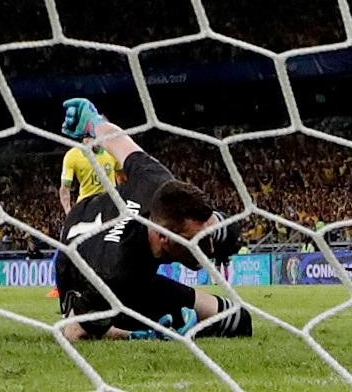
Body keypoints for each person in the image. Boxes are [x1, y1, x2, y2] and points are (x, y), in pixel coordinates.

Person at [56, 98, 250, 341]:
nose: (208, 250)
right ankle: (154, 324)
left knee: (238, 320)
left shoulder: (157, 182)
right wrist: (141, 335)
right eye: (199, 242)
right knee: (107, 319)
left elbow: (117, 139)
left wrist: (92, 122)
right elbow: (74, 331)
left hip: (97, 218)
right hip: (77, 266)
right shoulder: (114, 273)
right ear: (164, 239)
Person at [59, 138, 122, 214]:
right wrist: (68, 211)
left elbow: (121, 177)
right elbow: (65, 188)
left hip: (110, 203)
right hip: (86, 204)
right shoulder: (72, 155)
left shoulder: (111, 151)